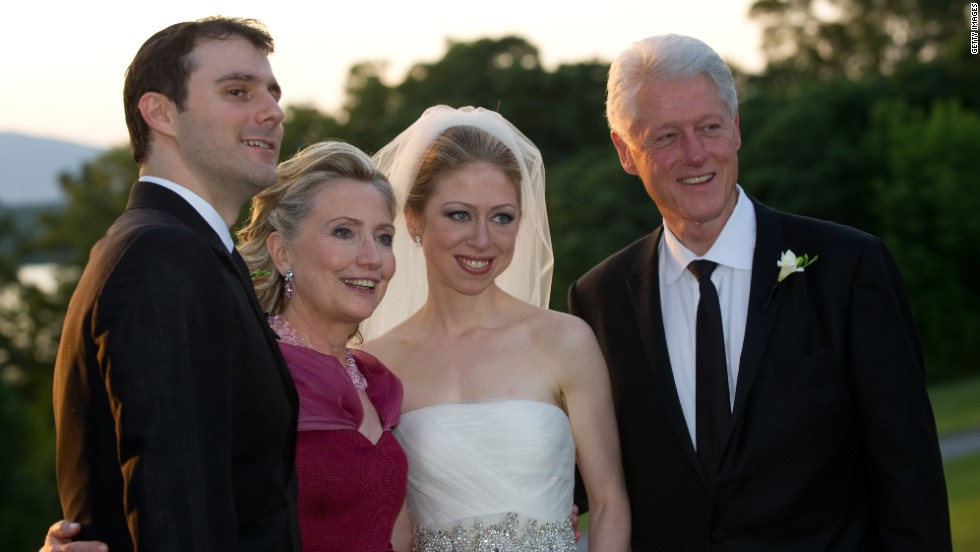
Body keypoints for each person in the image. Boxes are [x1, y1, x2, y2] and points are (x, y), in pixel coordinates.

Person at [567, 34, 952, 551]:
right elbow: (584, 478)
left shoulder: (849, 267)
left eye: (710, 127)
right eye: (665, 137)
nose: (696, 154)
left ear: (737, 130)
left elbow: (910, 474)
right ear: (625, 151)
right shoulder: (598, 300)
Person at [50, 17, 301, 551]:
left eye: (273, 95)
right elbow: (177, 509)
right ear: (160, 112)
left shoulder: (197, 253)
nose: (273, 111)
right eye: (239, 91)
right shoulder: (161, 258)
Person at [360, 105, 631, 551]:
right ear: (413, 219)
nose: (483, 240)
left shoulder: (566, 341)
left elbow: (608, 503)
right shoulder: (379, 363)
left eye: (502, 217)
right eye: (459, 215)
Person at [236, 140, 407, 551]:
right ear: (281, 252)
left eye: (383, 237)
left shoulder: (377, 384)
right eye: (344, 232)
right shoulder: (250, 373)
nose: (372, 258)